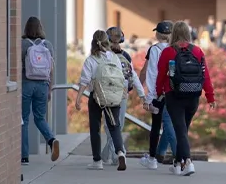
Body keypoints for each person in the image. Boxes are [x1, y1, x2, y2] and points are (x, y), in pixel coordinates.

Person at [156, 21, 216, 176]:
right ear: (188, 34)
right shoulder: (197, 51)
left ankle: (188, 162)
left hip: (174, 95)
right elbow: (205, 76)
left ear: (174, 33)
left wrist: (158, 92)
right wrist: (210, 96)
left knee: (180, 131)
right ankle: (177, 163)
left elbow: (161, 75)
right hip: (193, 96)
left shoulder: (168, 52)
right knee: (183, 129)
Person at [75, 30, 127, 171]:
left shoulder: (91, 60)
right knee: (114, 126)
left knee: (95, 128)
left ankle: (97, 161)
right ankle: (120, 152)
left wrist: (78, 98)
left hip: (97, 97)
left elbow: (85, 81)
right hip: (114, 96)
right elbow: (121, 77)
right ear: (107, 41)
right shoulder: (114, 58)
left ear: (93, 43)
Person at [101, 27, 147, 165]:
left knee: (110, 125)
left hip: (107, 93)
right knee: (117, 125)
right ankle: (117, 154)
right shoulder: (125, 55)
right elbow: (133, 76)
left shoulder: (103, 55)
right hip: (122, 93)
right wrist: (142, 94)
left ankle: (115, 154)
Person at [21, 16, 60, 165]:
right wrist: (49, 88)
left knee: (23, 120)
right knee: (40, 118)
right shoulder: (47, 44)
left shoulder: (22, 44)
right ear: (40, 28)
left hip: (26, 84)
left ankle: (24, 156)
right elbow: (51, 69)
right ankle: (51, 139)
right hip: (43, 85)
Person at [139, 21, 177, 169]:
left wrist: (144, 92)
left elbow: (147, 72)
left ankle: (153, 159)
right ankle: (169, 156)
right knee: (171, 124)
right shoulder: (176, 49)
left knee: (156, 126)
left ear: (157, 34)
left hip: (157, 93)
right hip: (174, 92)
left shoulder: (154, 50)